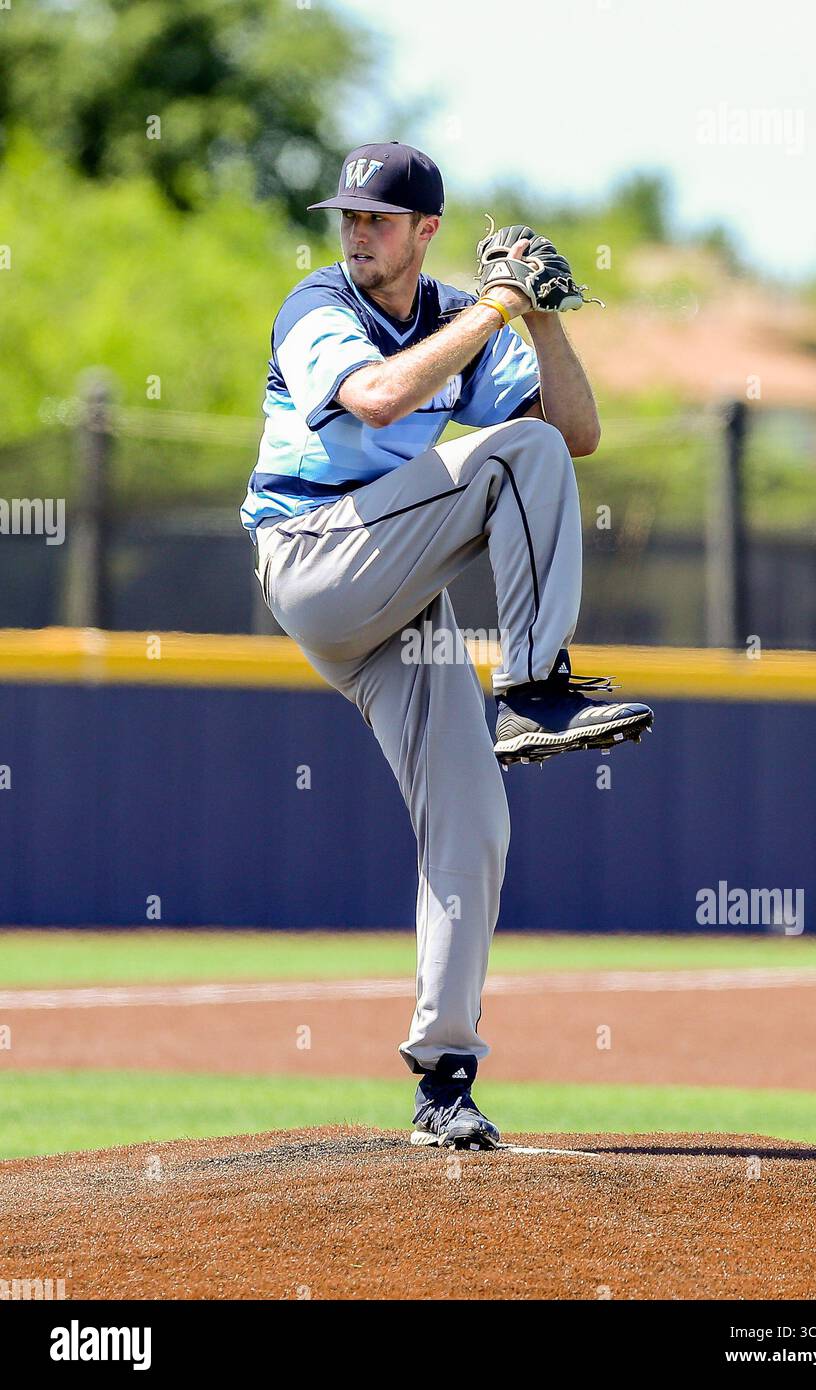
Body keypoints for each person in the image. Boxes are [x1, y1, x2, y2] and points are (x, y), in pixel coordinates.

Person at [241, 141, 653, 1150]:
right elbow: (378, 400)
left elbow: (576, 432)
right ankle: (531, 685)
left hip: (393, 596)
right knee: (514, 457)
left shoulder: (460, 313)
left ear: (425, 230)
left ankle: (444, 1078)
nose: (357, 234)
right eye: (350, 216)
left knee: (473, 820)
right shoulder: (319, 306)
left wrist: (542, 316)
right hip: (314, 556)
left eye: (378, 219)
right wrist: (498, 308)